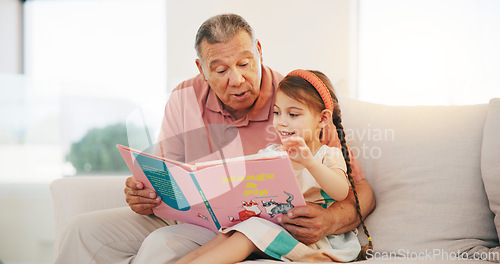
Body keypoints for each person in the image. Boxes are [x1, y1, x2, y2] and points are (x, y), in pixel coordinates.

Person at [55, 14, 375, 264]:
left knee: (160, 246)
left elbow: (360, 191)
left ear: (259, 52)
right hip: (191, 218)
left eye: (245, 64)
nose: (236, 80)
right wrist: (146, 194)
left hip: (246, 230)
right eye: (220, 70)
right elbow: (167, 177)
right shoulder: (184, 97)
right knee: (80, 231)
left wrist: (329, 220)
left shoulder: (295, 102)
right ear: (201, 68)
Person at [175, 69, 372, 264]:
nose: (282, 122)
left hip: (311, 240)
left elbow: (340, 191)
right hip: (271, 224)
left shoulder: (327, 155)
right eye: (277, 113)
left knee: (248, 234)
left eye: (293, 114)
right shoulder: (272, 153)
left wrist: (309, 163)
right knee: (226, 235)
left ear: (322, 119)